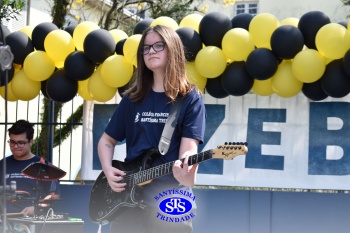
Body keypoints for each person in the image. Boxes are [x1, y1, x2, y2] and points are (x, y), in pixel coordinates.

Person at [98, 25, 206, 233]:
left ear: (173, 50)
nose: (151, 51)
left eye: (158, 46)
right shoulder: (132, 98)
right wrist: (107, 170)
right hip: (128, 200)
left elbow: (189, 149)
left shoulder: (190, 98)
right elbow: (106, 141)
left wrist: (188, 170)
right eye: (146, 48)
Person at [0, 120, 60, 216]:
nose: (15, 146)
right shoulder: (3, 164)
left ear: (31, 142)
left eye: (21, 143)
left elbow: (54, 195)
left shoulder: (43, 165)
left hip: (33, 221)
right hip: (4, 221)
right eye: (12, 142)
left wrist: (37, 208)